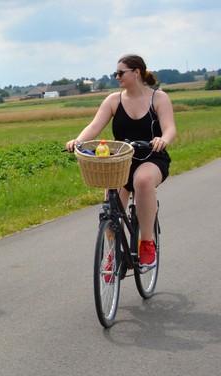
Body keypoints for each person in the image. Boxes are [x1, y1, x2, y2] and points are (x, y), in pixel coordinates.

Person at [66, 54, 176, 268]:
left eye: (120, 73)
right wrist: (78, 141)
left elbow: (170, 128)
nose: (117, 77)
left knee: (143, 181)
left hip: (152, 157)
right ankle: (113, 251)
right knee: (110, 207)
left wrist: (163, 140)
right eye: (115, 73)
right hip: (121, 161)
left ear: (136, 72)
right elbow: (94, 126)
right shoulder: (113, 100)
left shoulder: (158, 98)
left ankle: (147, 243)